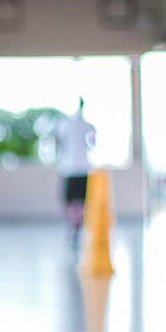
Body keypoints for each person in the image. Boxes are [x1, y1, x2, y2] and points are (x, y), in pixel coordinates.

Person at [54, 97, 96, 247]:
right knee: (80, 201)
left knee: (72, 202)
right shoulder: (87, 125)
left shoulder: (64, 124)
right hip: (81, 168)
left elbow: (57, 143)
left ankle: (74, 229)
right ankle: (76, 228)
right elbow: (93, 145)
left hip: (70, 169)